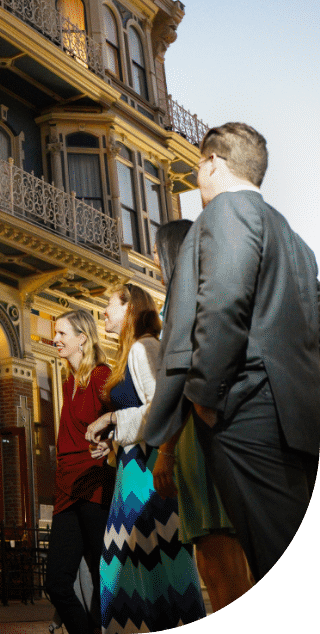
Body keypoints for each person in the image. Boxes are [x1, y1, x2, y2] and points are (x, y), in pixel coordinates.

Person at [145, 122, 320, 583]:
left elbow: (222, 306)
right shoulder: (295, 241)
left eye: (198, 167)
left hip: (249, 416)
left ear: (212, 163)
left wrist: (204, 397)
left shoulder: (227, 212)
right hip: (296, 421)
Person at [85, 285, 205, 633]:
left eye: (108, 304)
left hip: (146, 471)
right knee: (140, 570)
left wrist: (112, 420)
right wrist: (113, 443)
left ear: (129, 309)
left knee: (130, 567)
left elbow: (161, 406)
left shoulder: (144, 347)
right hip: (132, 468)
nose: (103, 311)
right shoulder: (131, 352)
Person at [150, 220, 253, 611]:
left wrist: (166, 451)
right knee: (229, 565)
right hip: (225, 437)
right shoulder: (220, 295)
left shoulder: (183, 303)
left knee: (219, 568)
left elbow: (183, 380)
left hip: (198, 440)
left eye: (159, 256)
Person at [44, 309, 114, 634]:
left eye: (62, 334)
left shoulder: (102, 376)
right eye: (55, 333)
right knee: (56, 583)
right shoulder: (68, 380)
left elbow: (126, 417)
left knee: (103, 579)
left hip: (95, 484)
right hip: (66, 489)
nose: (55, 339)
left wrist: (110, 441)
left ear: (82, 339)